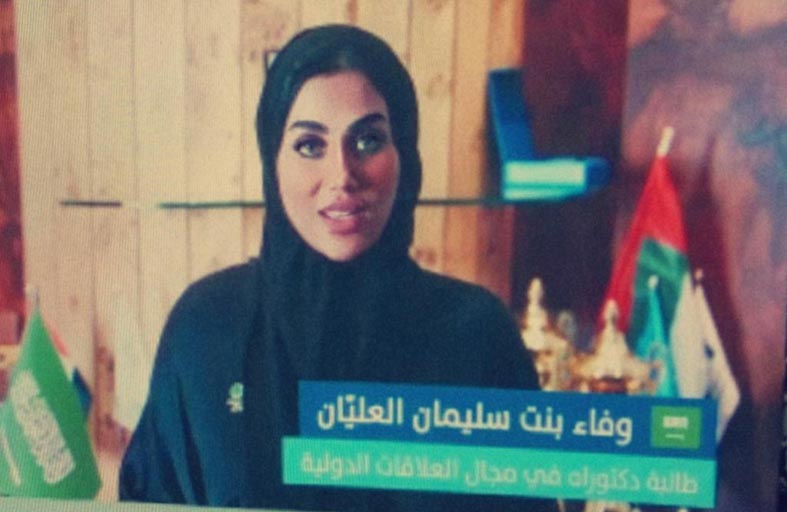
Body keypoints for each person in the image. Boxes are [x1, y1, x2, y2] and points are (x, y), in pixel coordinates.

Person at [119, 24, 554, 511]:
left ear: (405, 155)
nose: (342, 176)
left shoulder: (475, 332)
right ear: (272, 161)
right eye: (310, 145)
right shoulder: (208, 328)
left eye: (367, 140)